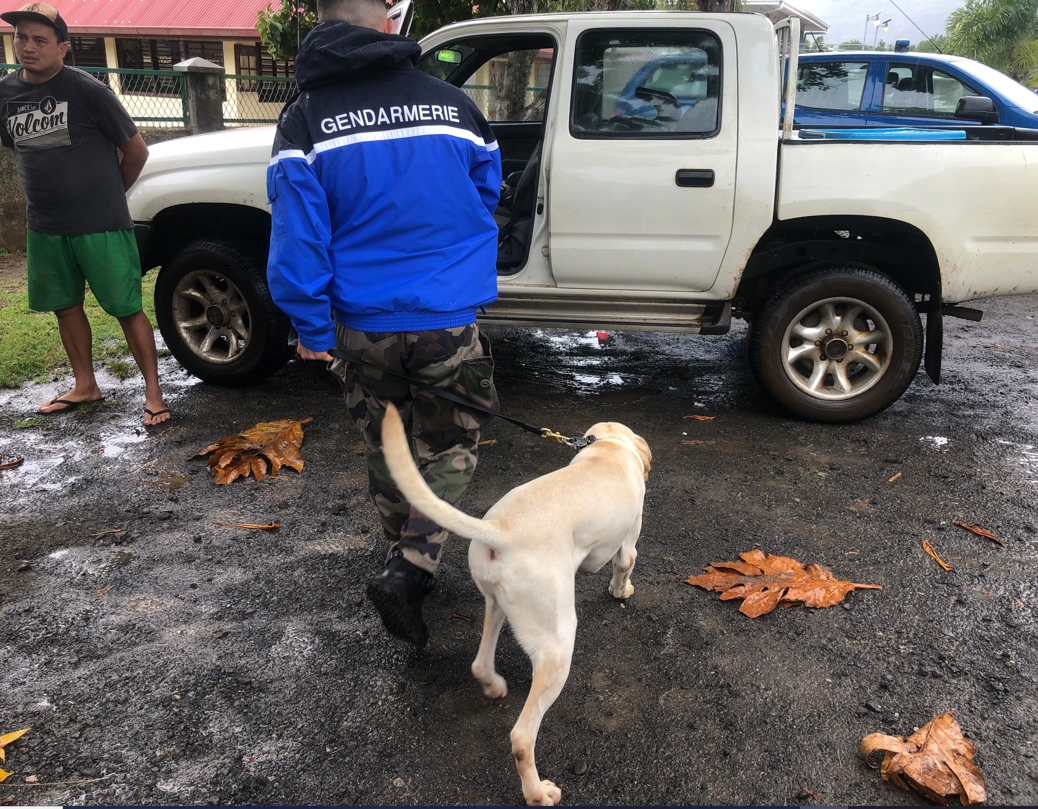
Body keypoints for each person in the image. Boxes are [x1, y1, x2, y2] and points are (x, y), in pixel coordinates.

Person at [267, 0, 502, 647]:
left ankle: (401, 559)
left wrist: (312, 327)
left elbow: (297, 239)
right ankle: (413, 564)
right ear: (390, 22)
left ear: (323, 21)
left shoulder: (306, 118)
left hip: (361, 324)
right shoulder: (454, 106)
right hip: (448, 317)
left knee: (387, 438)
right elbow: (486, 194)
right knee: (451, 442)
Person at [0, 3, 169, 425]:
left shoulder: (88, 90)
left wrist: (111, 195)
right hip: (45, 226)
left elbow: (136, 150)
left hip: (101, 225)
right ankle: (85, 385)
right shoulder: (5, 93)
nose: (28, 47)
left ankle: (154, 394)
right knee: (66, 307)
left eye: (40, 39)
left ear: (63, 47)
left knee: (126, 307)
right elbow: (17, 148)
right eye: (21, 37)